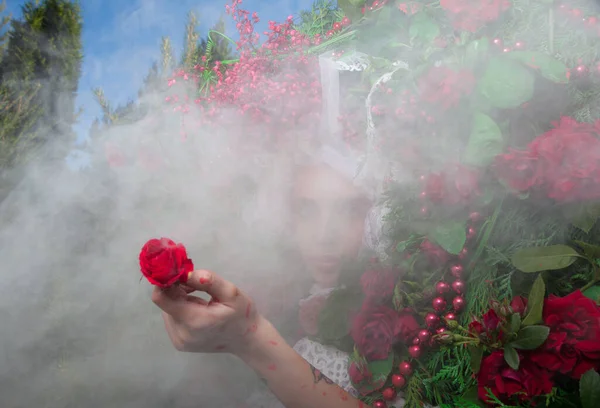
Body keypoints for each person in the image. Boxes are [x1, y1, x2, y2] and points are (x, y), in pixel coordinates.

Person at [151, 146, 390, 408]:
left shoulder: (412, 312)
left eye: (349, 211)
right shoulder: (278, 298)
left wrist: (250, 339)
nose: (325, 235)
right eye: (307, 210)